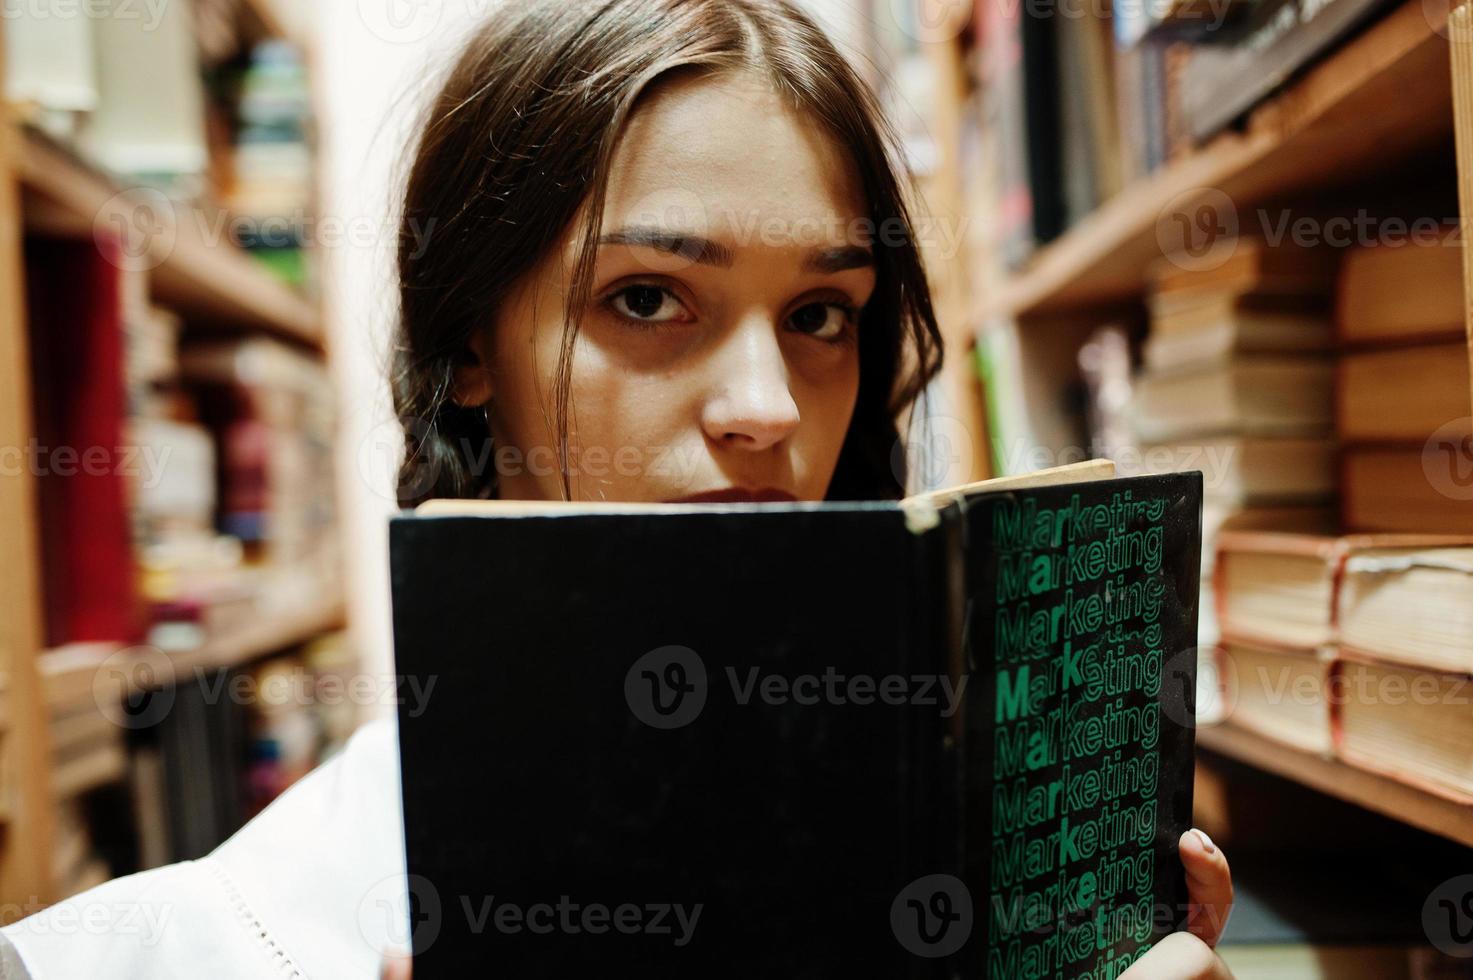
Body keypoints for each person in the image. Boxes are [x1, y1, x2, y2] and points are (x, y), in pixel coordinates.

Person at [0, 1, 1234, 976]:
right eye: (646, 297)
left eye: (820, 314)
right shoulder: (164, 953)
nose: (765, 403)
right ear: (471, 346)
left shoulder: (956, 881)